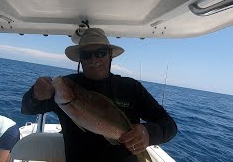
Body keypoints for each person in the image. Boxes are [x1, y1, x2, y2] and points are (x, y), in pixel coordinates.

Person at [21, 28, 177, 162]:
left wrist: (148, 132)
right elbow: (27, 108)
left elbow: (169, 125)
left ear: (110, 55)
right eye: (86, 55)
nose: (94, 59)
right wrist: (35, 94)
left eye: (100, 53)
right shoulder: (65, 86)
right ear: (80, 59)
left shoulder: (131, 87)